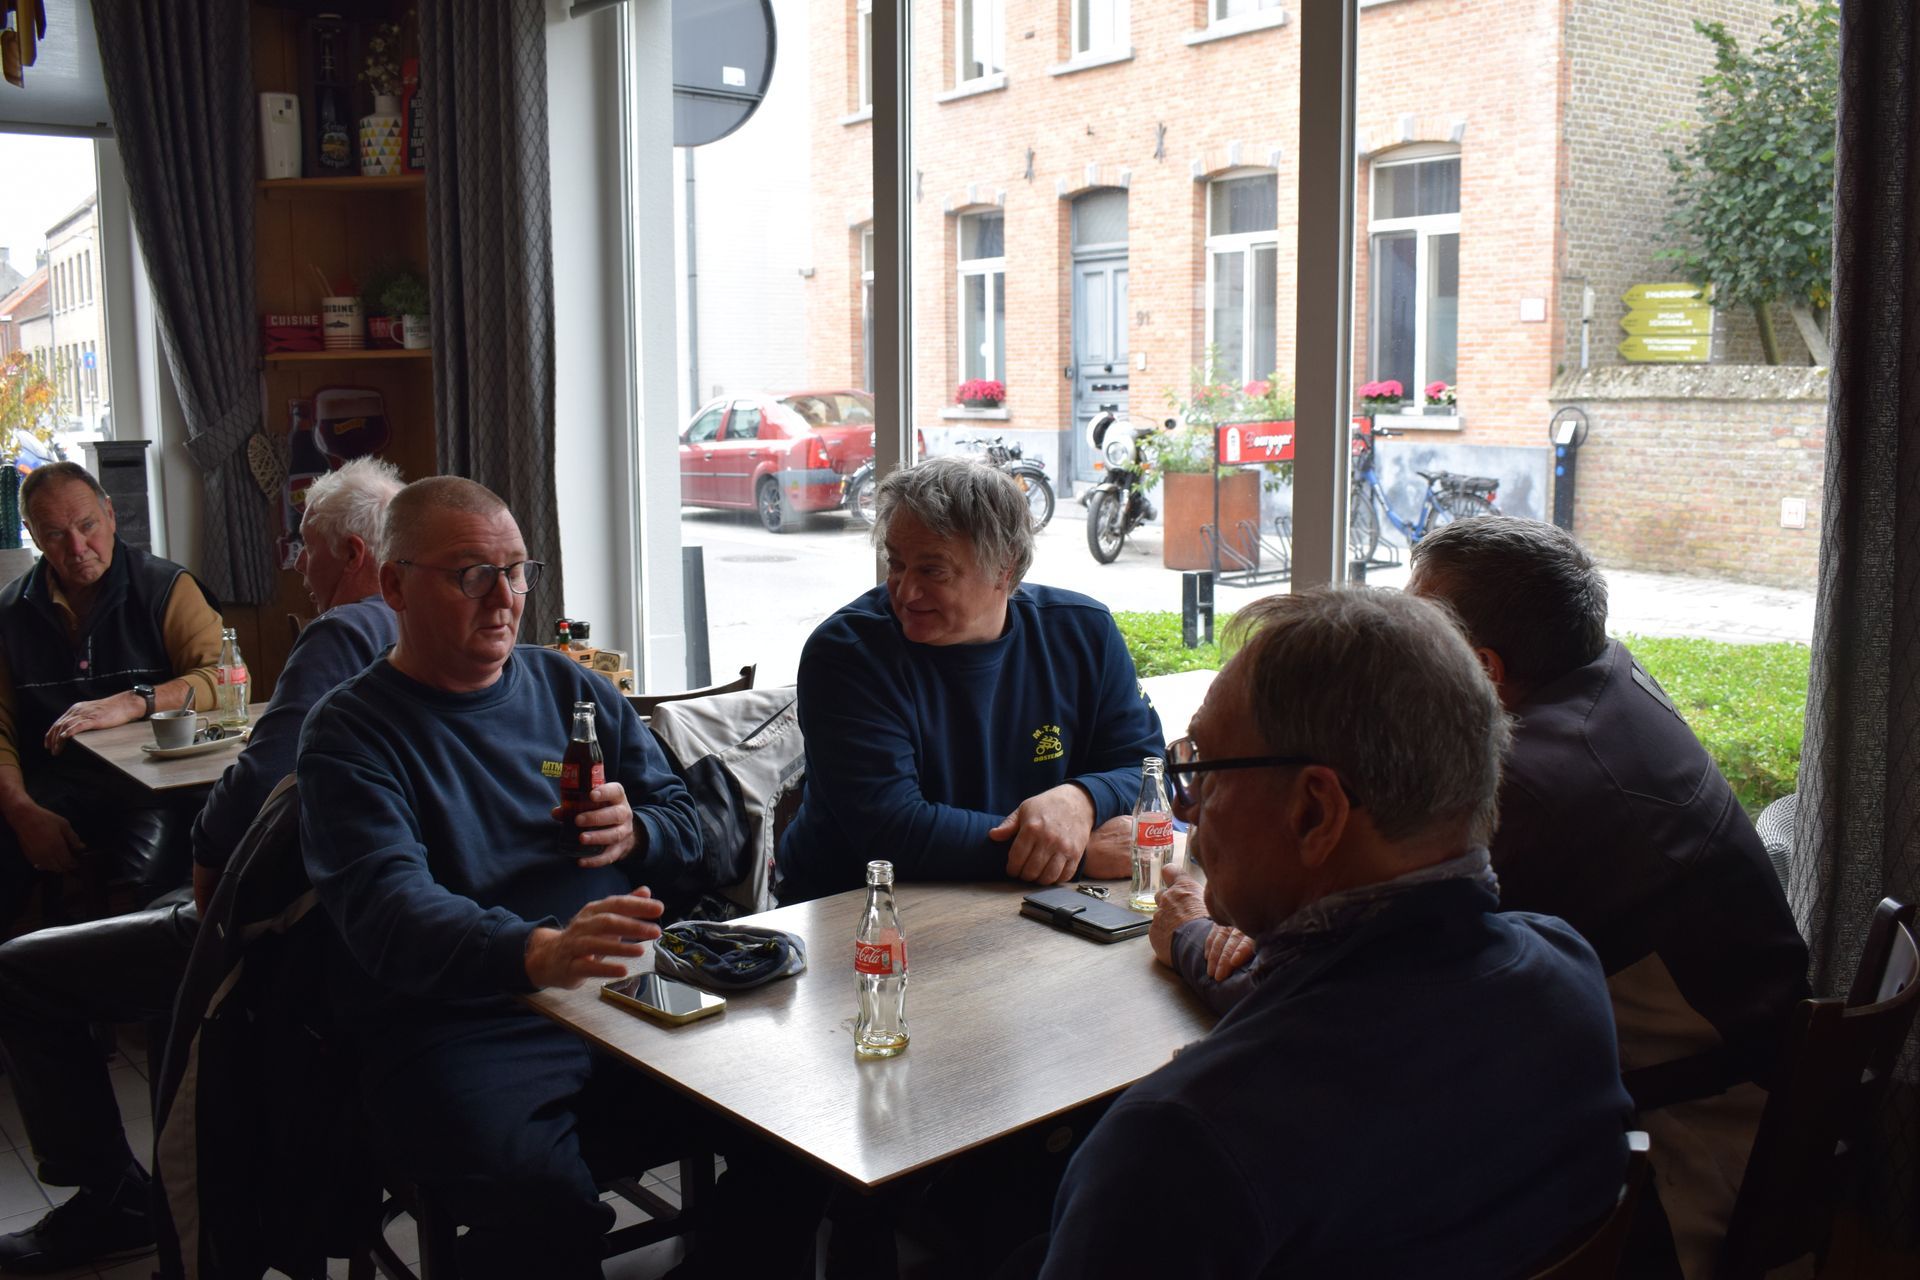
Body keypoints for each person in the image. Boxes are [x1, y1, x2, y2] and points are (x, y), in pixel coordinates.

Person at [1159, 517, 1809, 1280]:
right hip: (1739, 1101)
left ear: (1479, 667)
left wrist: (1192, 934)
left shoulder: (1524, 787)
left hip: (1685, 1166)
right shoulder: (1612, 686)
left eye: (1418, 626)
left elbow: (1341, 1012)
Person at [1043, 588, 1632, 1277]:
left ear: (1315, 813)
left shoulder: (1183, 1142)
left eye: (1202, 769)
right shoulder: (1567, 973)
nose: (1189, 809)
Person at [0, 458, 405, 1275]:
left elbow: (252, 772)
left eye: (305, 548)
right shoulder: (434, 632)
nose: (297, 565)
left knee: (20, 970)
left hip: (290, 929)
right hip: (356, 924)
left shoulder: (333, 633)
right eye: (53, 535)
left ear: (354, 555)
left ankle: (123, 1198)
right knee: (140, 904)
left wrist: (209, 865)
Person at [297, 476, 704, 1278]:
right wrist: (540, 952)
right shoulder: (350, 733)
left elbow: (689, 826)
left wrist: (642, 828)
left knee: (794, 1125)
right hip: (462, 1021)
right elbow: (391, 913)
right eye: (471, 574)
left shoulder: (570, 687)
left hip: (623, 992)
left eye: (517, 570)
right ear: (394, 586)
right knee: (544, 1211)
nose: (505, 598)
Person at [776, 456, 1163, 903]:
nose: (904, 590)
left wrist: (1082, 798)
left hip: (1028, 903)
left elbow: (1146, 771)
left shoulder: (1084, 632)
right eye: (896, 563)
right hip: (862, 909)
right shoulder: (847, 654)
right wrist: (1076, 853)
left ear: (1005, 566)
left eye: (932, 570)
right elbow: (892, 829)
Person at [0, 462, 223, 915]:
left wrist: (135, 701)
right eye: (56, 534)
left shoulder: (166, 587)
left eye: (87, 526)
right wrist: (21, 811)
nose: (78, 547)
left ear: (110, 515)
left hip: (154, 782)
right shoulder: (9, 613)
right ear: (33, 536)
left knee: (148, 894)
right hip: (54, 784)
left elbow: (222, 678)